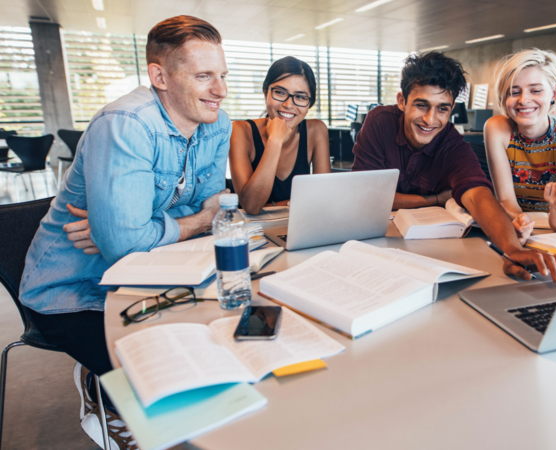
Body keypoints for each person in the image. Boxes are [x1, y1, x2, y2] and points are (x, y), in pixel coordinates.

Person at [19, 16, 231, 449]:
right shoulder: (126, 124)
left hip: (150, 273)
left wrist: (135, 230)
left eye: (223, 75)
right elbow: (199, 218)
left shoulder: (217, 123)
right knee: (170, 374)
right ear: (160, 76)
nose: (220, 90)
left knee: (218, 341)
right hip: (72, 290)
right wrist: (151, 229)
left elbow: (213, 211)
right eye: (204, 76)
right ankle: (109, 397)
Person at [351, 51, 556, 281]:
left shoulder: (451, 143)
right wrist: (435, 199)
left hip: (426, 250)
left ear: (452, 108)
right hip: (374, 243)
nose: (430, 119)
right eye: (421, 105)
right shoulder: (379, 122)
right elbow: (366, 196)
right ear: (402, 101)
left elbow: (478, 195)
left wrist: (512, 250)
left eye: (442, 108)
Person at [484, 48, 556, 239]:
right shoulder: (496, 128)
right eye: (514, 91)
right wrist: (521, 221)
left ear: (554, 93)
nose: (524, 100)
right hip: (515, 228)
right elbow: (506, 200)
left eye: (535, 90)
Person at [229, 56, 330, 214]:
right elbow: (251, 206)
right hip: (256, 232)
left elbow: (324, 199)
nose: (288, 105)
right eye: (280, 92)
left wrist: (270, 206)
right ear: (265, 92)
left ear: (309, 103)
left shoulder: (316, 130)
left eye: (301, 97)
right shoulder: (240, 130)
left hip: (301, 226)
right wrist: (275, 140)